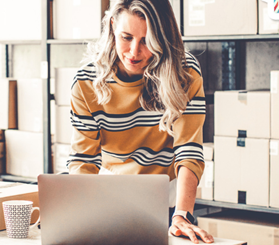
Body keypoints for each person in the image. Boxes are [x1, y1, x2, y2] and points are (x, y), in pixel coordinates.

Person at [67, 0, 212, 243]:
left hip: (170, 205)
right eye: (126, 37)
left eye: (147, 41)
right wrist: (81, 212)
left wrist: (182, 215)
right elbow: (83, 161)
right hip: (109, 196)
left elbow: (189, 149)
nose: (134, 52)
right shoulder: (85, 82)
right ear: (113, 26)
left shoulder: (184, 72)